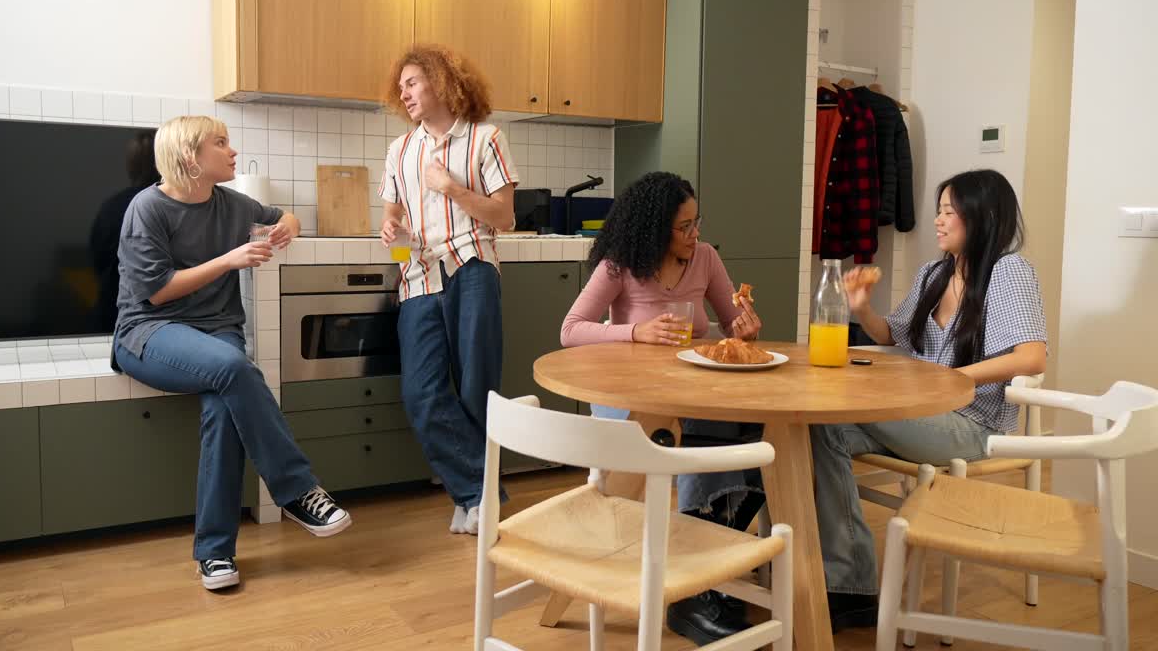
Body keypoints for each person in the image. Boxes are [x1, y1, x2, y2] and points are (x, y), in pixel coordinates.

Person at [113, 115, 351, 591]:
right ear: (189, 158)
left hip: (216, 330)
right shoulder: (147, 208)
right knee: (232, 367)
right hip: (149, 332)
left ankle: (215, 554)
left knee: (224, 407)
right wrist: (230, 259)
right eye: (220, 143)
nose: (233, 151)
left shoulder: (232, 203)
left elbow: (283, 215)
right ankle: (298, 489)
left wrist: (286, 228)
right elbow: (157, 291)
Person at [812, 169, 1048, 630]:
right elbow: (895, 336)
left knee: (837, 405)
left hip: (972, 424)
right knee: (823, 427)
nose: (938, 221)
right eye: (937, 211)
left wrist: (952, 379)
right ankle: (852, 586)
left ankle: (843, 580)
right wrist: (862, 308)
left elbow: (1032, 356)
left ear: (983, 215)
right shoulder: (934, 274)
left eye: (948, 212)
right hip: (920, 415)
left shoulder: (1008, 271)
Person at [560, 171, 765, 645]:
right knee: (703, 432)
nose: (695, 235)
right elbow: (571, 329)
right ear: (654, 228)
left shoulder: (706, 257)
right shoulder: (620, 265)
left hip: (691, 391)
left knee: (752, 433)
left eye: (697, 223)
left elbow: (728, 324)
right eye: (684, 227)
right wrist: (635, 332)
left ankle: (705, 561)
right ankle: (699, 577)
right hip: (630, 403)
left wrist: (744, 328)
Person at [378, 44, 517, 536]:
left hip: (472, 265)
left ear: (440, 81)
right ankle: (480, 492)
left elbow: (504, 216)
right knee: (421, 392)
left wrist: (452, 187)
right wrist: (389, 227)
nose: (404, 92)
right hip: (418, 274)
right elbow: (393, 210)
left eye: (412, 82)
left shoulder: (486, 139)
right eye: (402, 87)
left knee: (478, 388)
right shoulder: (399, 150)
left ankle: (473, 498)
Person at [90, 129, 159, 331]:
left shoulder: (111, 205)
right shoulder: (162, 206)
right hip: (146, 320)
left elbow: (97, 259)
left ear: (131, 166)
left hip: (109, 310)